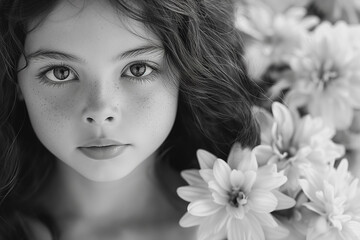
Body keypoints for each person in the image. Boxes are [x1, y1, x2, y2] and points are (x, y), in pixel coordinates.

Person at [0, 0, 260, 239]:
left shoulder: (256, 229)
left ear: (186, 69)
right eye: (61, 72)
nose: (101, 111)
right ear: (15, 80)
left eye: (137, 69)